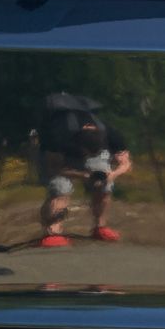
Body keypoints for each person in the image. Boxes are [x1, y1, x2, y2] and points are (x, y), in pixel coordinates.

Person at [35, 91, 131, 247]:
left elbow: (125, 163)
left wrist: (110, 176)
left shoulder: (110, 134)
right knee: (60, 188)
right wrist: (84, 175)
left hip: (92, 155)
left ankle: (100, 227)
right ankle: (51, 231)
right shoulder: (58, 135)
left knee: (105, 185)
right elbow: (55, 168)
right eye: (86, 151)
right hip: (59, 158)